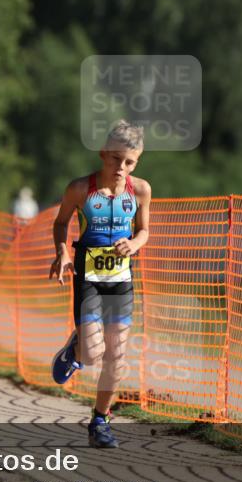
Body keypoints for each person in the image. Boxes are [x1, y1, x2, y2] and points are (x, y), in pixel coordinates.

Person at [48, 120, 152, 449]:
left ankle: (100, 421)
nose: (121, 168)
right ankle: (77, 348)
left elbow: (144, 230)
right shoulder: (81, 189)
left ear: (136, 162)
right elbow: (61, 222)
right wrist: (62, 252)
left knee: (116, 354)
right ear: (103, 153)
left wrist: (134, 244)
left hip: (120, 279)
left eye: (130, 162)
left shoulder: (140, 190)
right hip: (89, 276)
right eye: (116, 159)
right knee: (94, 354)